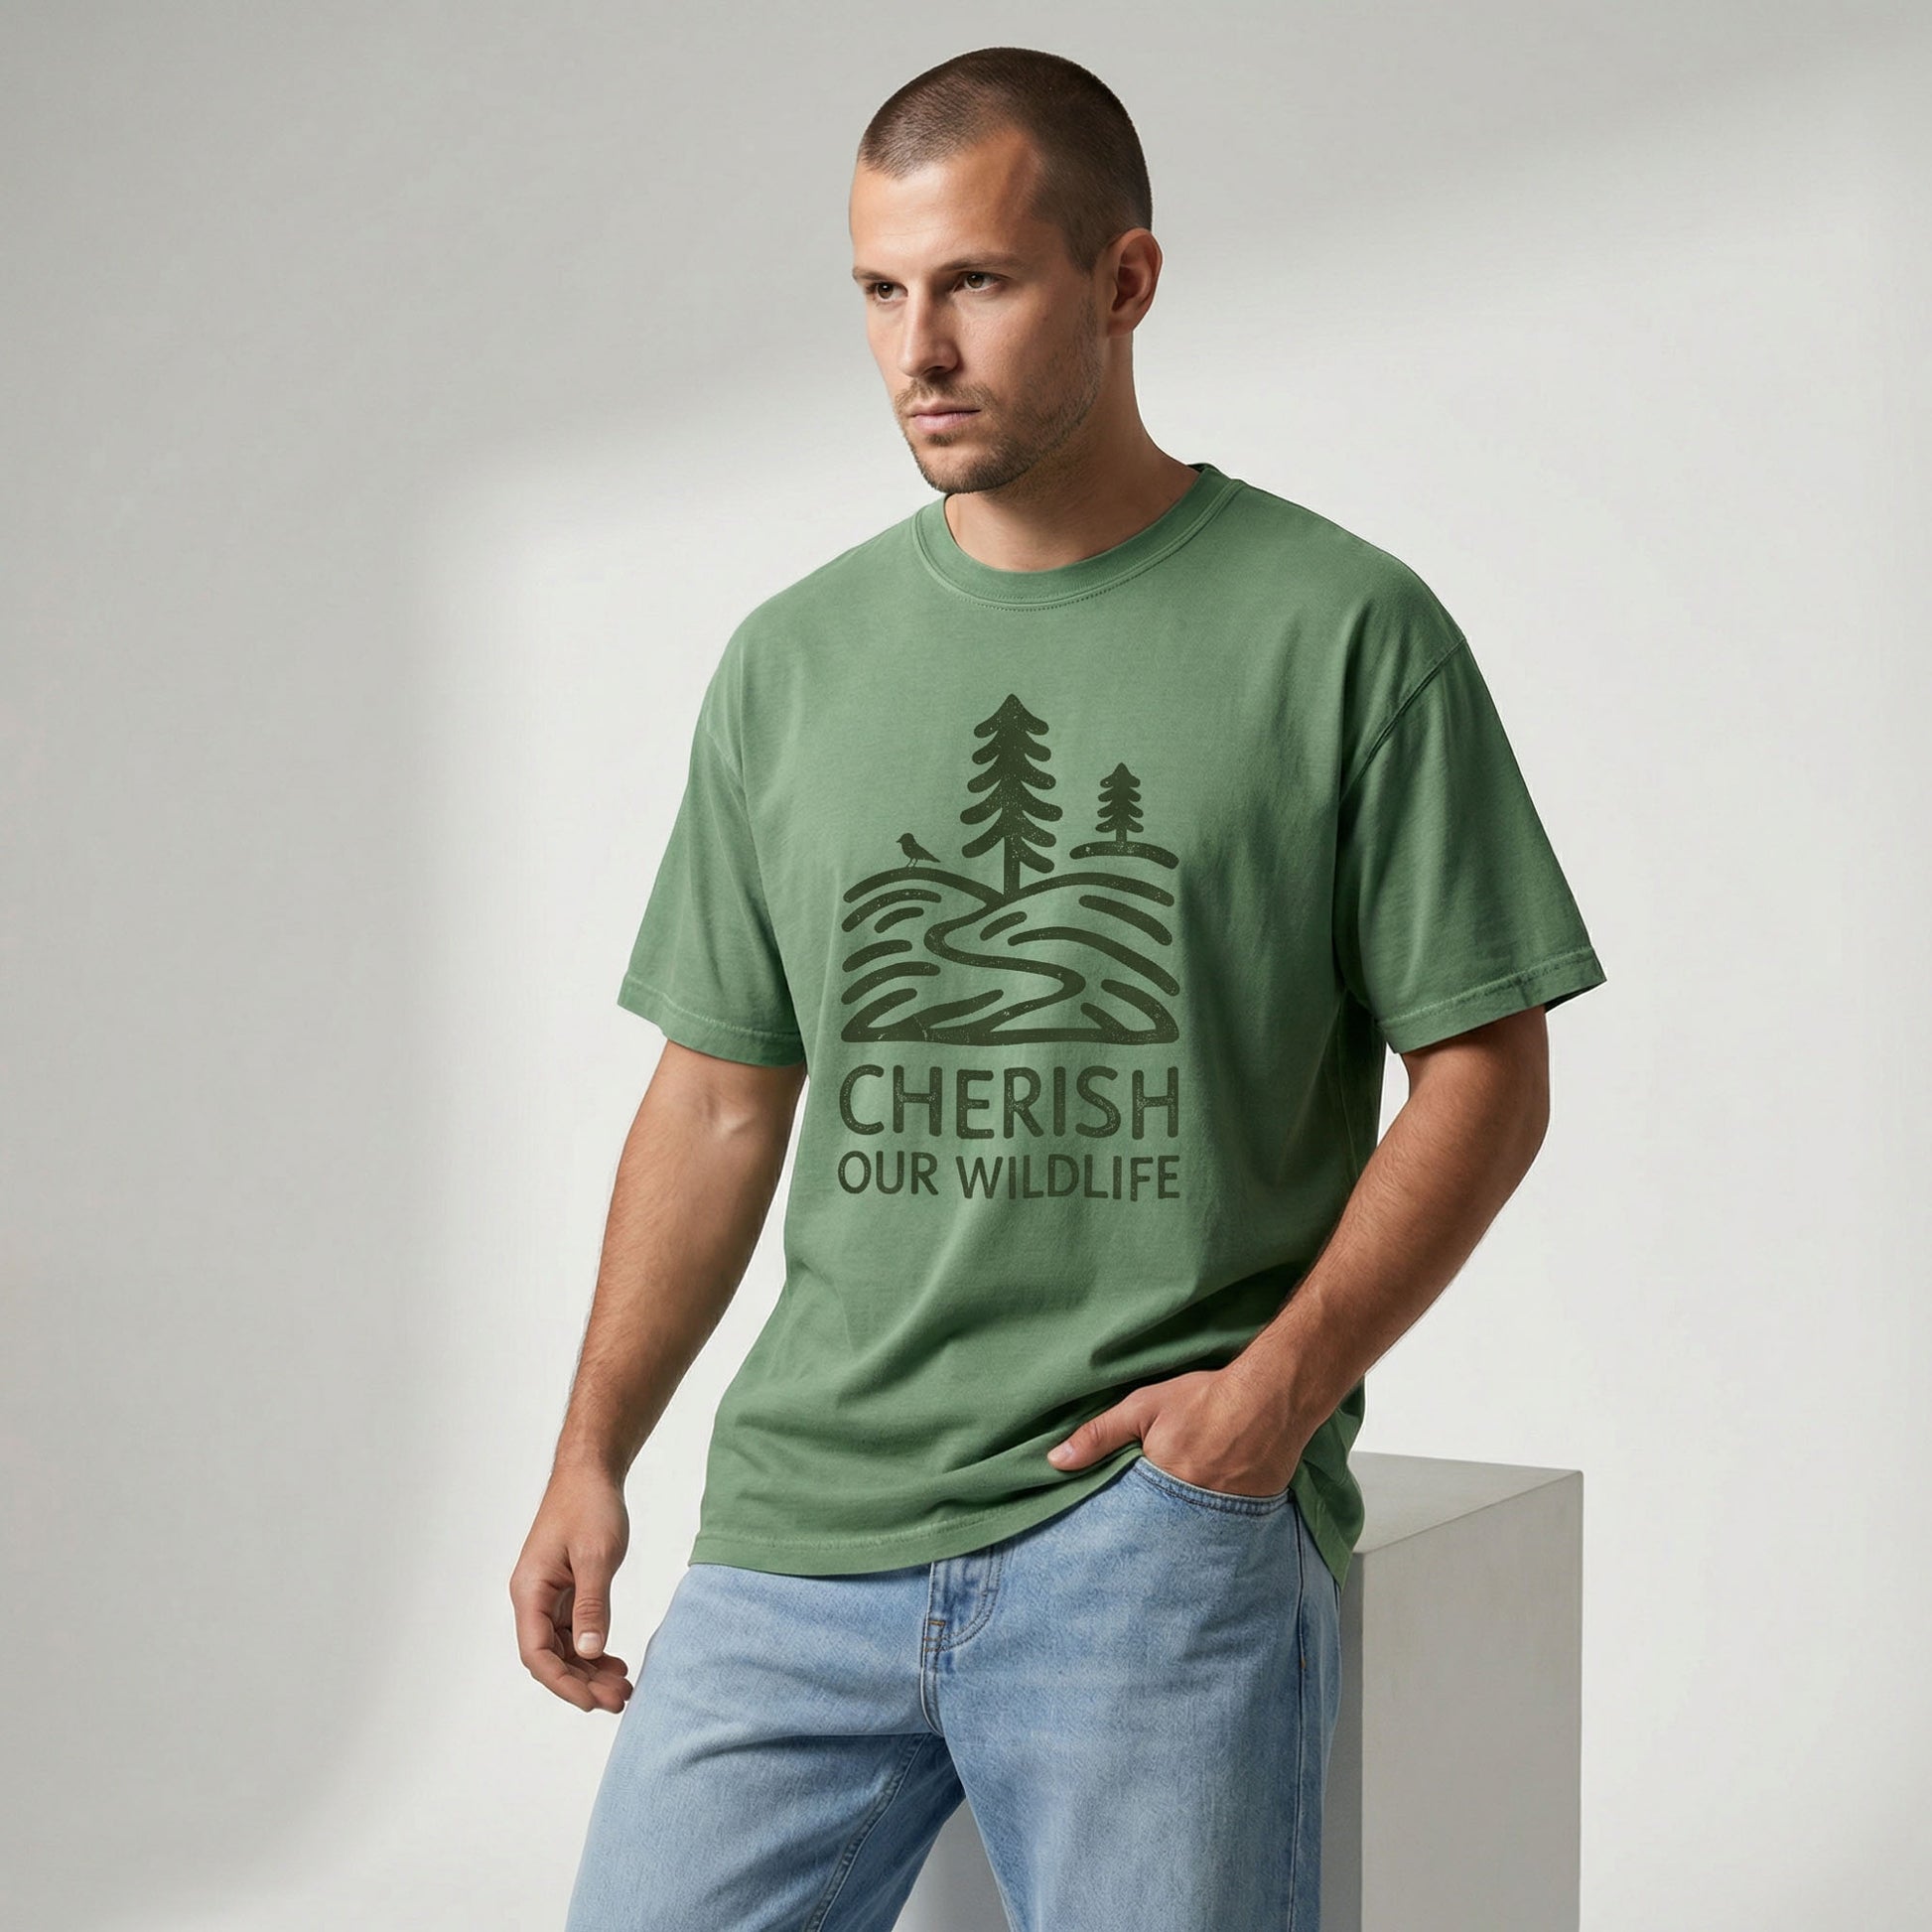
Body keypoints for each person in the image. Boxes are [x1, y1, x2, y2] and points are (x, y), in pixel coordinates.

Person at [512, 44, 1607, 1932]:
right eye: (879, 290)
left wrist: (1273, 1399)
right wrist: (590, 1447)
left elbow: (1485, 1071)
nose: (918, 348)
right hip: (799, 1530)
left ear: (1123, 281)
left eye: (978, 282)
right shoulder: (789, 662)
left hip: (1143, 1537)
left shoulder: (1343, 631)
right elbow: (715, 1091)